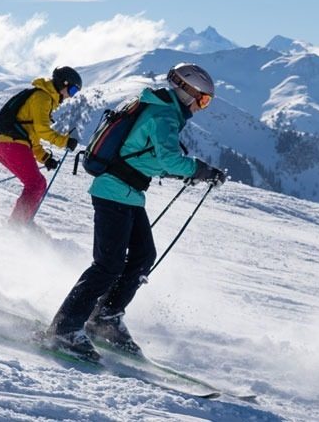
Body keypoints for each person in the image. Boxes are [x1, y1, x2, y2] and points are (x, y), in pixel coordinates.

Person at [45, 63, 227, 362]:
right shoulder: (164, 114)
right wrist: (201, 169)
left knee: (143, 256)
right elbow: (169, 159)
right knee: (108, 265)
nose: (202, 106)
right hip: (114, 191)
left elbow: (145, 156)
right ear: (187, 90)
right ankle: (64, 329)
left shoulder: (161, 109)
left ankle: (105, 318)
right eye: (203, 99)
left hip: (128, 192)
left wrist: (184, 172)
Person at [0, 66, 81, 228]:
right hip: (13, 145)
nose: (71, 96)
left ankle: (22, 221)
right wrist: (65, 141)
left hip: (6, 146)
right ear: (63, 83)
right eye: (73, 90)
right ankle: (16, 226)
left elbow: (31, 136)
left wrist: (45, 158)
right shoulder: (43, 97)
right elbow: (42, 130)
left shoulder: (43, 97)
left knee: (38, 183)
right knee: (35, 184)